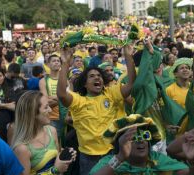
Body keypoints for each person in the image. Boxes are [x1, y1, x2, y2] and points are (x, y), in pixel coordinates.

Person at [57, 44, 136, 174]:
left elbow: (131, 84)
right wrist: (65, 63)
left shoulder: (111, 94)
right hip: (89, 158)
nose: (97, 77)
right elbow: (61, 94)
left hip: (112, 153)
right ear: (84, 84)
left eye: (99, 75)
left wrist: (128, 56)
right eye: (92, 76)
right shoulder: (78, 100)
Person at [90, 114, 188, 175]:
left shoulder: (156, 159)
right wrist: (120, 158)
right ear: (120, 144)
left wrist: (193, 161)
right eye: (132, 138)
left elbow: (187, 172)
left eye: (145, 136)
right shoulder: (108, 162)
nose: (141, 140)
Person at [11, 91, 76, 174]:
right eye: (46, 107)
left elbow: (57, 157)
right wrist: (54, 170)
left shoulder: (52, 131)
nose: (50, 109)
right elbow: (56, 168)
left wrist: (66, 155)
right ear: (33, 114)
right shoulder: (22, 148)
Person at [39, 54, 66, 140]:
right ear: (48, 64)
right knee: (53, 141)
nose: (56, 63)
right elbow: (46, 100)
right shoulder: (43, 81)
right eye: (54, 61)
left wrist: (53, 97)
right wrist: (62, 97)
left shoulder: (65, 80)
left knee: (64, 142)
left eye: (58, 61)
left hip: (65, 116)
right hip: (51, 117)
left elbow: (69, 97)